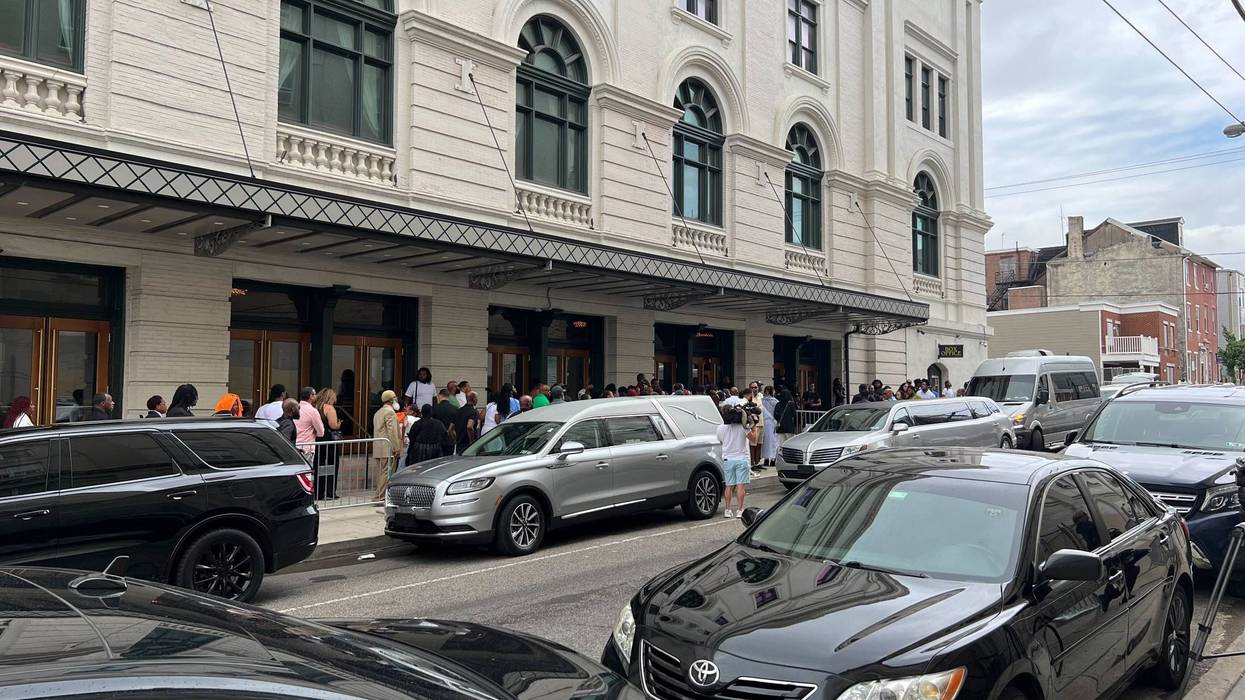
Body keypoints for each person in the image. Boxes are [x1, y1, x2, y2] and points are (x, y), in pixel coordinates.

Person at [717, 401, 751, 519]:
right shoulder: (743, 426)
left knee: (729, 485)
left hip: (728, 458)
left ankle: (727, 510)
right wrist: (752, 426)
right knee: (740, 486)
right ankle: (740, 510)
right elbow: (754, 439)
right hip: (741, 458)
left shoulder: (720, 428)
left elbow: (721, 441)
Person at [372, 390, 403, 501]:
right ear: (391, 400)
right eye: (395, 397)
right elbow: (392, 431)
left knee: (381, 473)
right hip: (387, 447)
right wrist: (396, 448)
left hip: (378, 447)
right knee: (387, 472)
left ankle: (379, 495)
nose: (396, 399)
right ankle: (380, 496)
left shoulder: (378, 412)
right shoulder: (390, 412)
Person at [312, 388, 342, 499]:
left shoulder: (315, 407)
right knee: (332, 464)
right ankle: (330, 491)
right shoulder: (329, 408)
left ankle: (318, 492)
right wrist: (339, 424)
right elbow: (333, 425)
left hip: (317, 439)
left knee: (318, 464)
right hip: (328, 439)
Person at [293, 386, 324, 460]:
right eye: (315, 394)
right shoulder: (312, 411)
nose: (316, 396)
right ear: (311, 396)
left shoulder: (294, 408)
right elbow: (321, 432)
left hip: (293, 446)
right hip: (306, 448)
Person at [760, 387, 779, 468]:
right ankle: (773, 459)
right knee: (774, 441)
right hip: (773, 421)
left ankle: (766, 459)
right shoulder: (776, 401)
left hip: (764, 421)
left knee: (765, 441)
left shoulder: (761, 401)